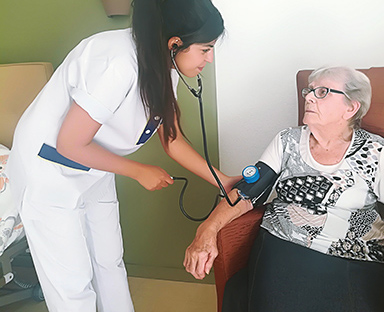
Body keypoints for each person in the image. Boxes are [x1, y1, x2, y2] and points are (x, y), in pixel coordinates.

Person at [6, 0, 240, 311]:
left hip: (96, 163)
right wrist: (139, 171)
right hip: (49, 170)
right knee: (72, 280)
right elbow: (70, 144)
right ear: (175, 43)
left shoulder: (165, 66)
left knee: (109, 261)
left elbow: (171, 138)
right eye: (205, 49)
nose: (209, 59)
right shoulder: (116, 63)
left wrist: (222, 181)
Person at [184, 66, 384, 312]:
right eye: (308, 91)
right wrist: (206, 230)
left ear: (351, 108)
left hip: (359, 260)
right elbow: (246, 193)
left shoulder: (376, 152)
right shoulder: (286, 141)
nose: (309, 97)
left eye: (322, 92)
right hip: (287, 247)